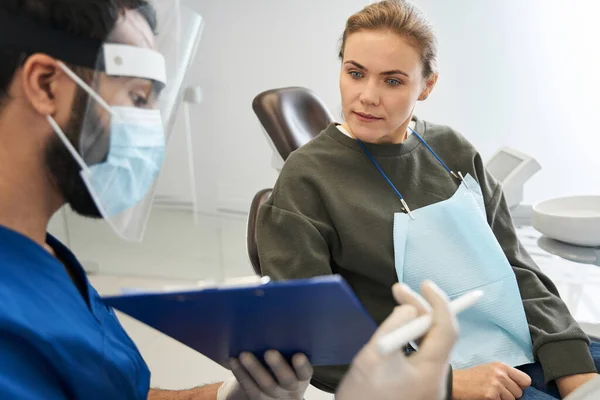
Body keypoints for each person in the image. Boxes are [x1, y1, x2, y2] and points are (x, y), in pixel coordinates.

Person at [0, 0, 461, 399]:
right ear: (45, 84)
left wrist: (225, 397)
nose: (148, 130)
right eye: (137, 98)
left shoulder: (46, 258)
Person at [255, 1, 600, 399]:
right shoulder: (306, 180)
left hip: (520, 344)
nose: (367, 96)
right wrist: (441, 383)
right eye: (355, 73)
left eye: (393, 81)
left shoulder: (452, 150)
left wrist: (572, 366)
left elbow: (517, 269)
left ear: (428, 85)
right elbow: (313, 340)